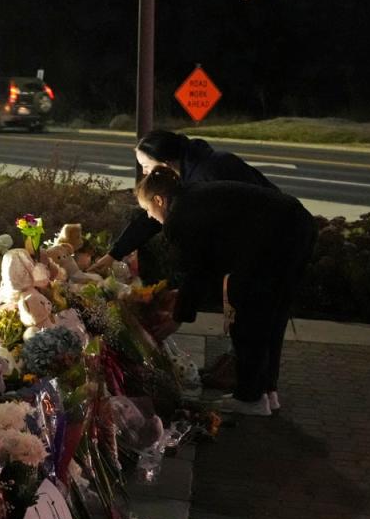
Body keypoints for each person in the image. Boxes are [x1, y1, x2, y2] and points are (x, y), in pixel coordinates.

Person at [90, 130, 279, 390]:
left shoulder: (204, 177)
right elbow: (151, 217)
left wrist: (181, 313)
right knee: (250, 314)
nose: (145, 174)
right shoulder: (186, 180)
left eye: (146, 166)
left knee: (257, 315)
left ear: (165, 163)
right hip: (265, 241)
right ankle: (254, 383)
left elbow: (202, 257)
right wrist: (115, 253)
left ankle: (255, 389)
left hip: (273, 242)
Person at [135, 166, 316, 416]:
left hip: (274, 240)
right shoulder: (193, 196)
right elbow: (211, 261)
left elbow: (197, 269)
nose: (150, 216)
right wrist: (185, 298)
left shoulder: (179, 217)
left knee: (249, 319)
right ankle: (265, 393)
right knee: (272, 316)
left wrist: (178, 318)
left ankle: (250, 398)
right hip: (297, 224)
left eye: (148, 209)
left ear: (159, 199)